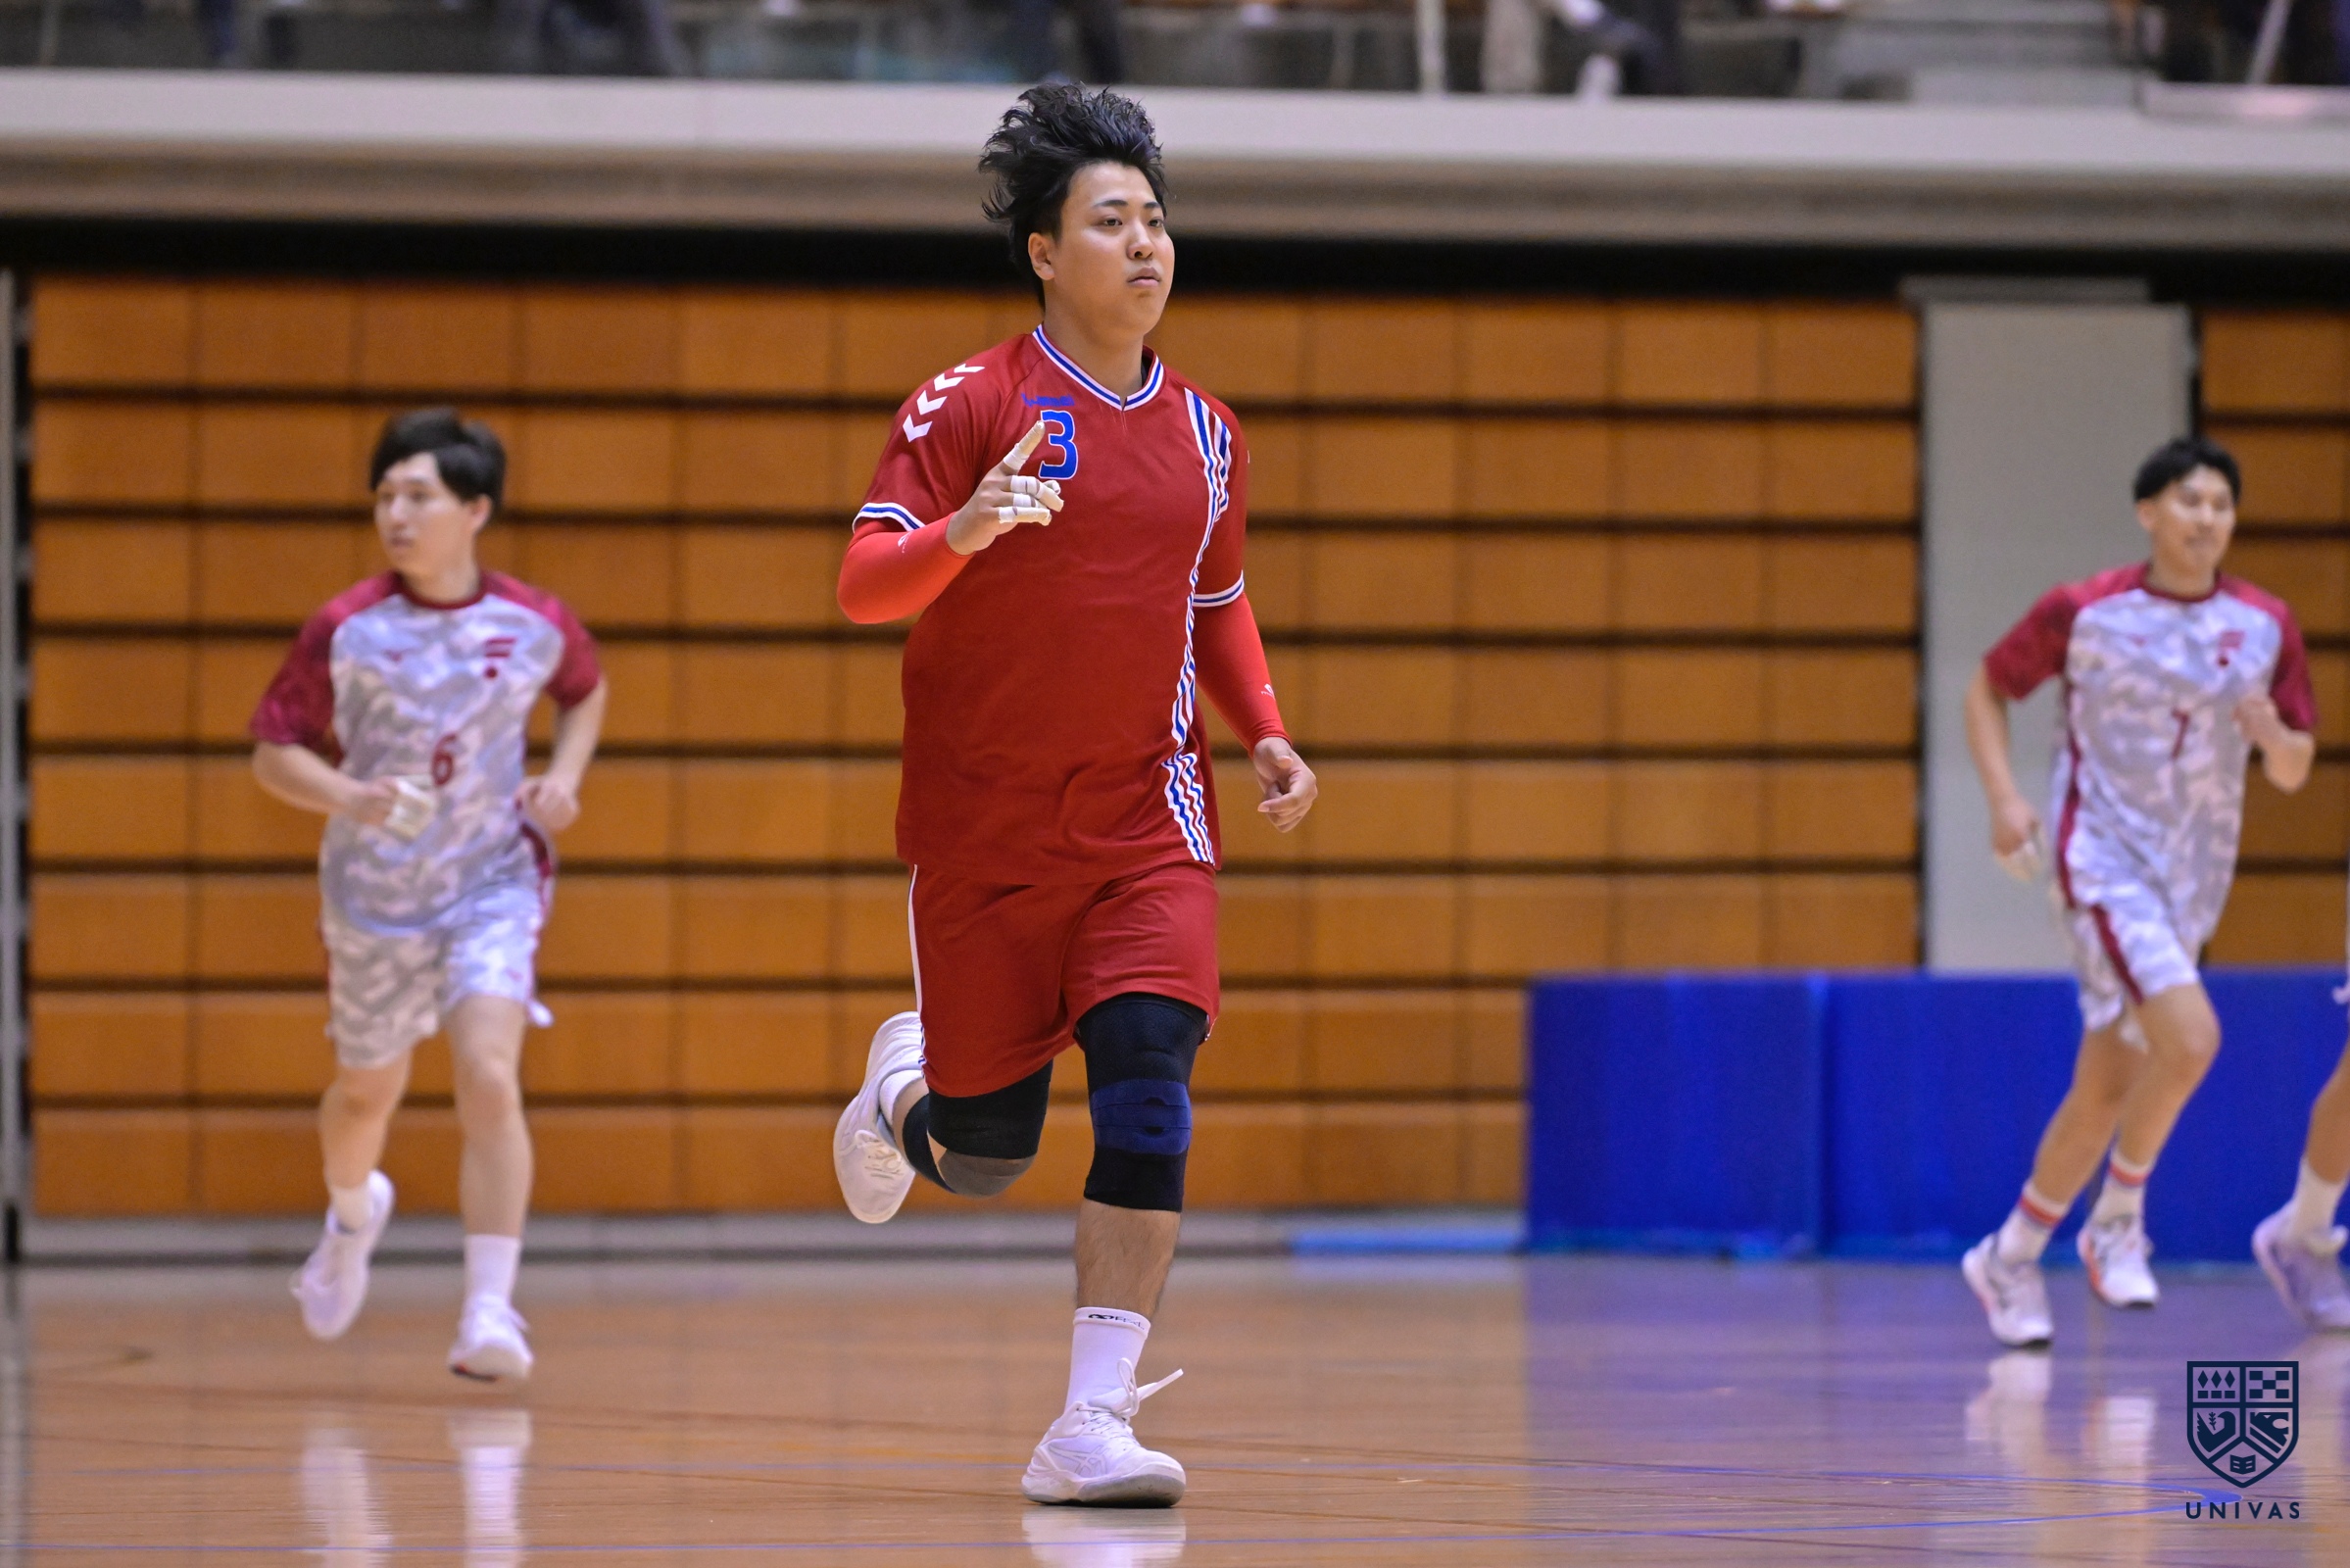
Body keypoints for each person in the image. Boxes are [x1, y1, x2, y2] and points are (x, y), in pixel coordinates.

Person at [829, 85, 1317, 1506]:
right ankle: (904, 1087)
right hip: (983, 834)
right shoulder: (969, 404)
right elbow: (862, 587)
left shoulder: (1210, 434)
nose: (1145, 243)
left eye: (1155, 218)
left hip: (1147, 822)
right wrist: (964, 529)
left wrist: (1263, 731)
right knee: (983, 1154)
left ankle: (1088, 1423)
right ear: (1045, 252)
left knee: (1150, 1093)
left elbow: (1215, 602)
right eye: (1111, 221)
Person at [251, 409, 609, 1383]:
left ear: (475, 509)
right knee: (365, 1093)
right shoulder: (346, 628)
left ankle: (490, 1307)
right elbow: (273, 752)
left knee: (488, 1072)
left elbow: (585, 689)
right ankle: (352, 1213)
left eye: (418, 496)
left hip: (490, 881)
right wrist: (351, 796)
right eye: (385, 497)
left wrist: (562, 777)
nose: (396, 515)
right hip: (374, 896)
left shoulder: (532, 623)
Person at [1959, 434, 2315, 1350]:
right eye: (2191, 501)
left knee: (2107, 1087)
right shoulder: (2086, 612)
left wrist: (2274, 737)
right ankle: (2118, 1216)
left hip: (2192, 878)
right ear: (2148, 512)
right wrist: (2003, 800)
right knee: (2191, 1038)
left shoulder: (2266, 625)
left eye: (2222, 505)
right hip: (2101, 862)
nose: (2208, 518)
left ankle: (2009, 1255)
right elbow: (1988, 688)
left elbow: (2293, 771)